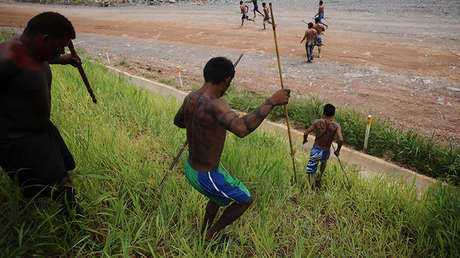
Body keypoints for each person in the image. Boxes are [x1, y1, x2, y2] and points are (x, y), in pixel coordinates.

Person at [174, 57, 290, 244]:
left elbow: (178, 122)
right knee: (245, 199)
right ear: (227, 80)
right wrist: (272, 101)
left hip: (191, 166)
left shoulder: (191, 98)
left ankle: (205, 230)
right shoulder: (217, 105)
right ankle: (211, 235)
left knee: (218, 197)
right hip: (205, 175)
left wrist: (198, 125)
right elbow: (242, 129)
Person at [0, 12, 80, 210]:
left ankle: (36, 199)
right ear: (44, 39)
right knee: (59, 182)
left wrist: (63, 59)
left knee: (62, 166)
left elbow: (41, 60)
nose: (60, 50)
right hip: (19, 138)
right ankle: (74, 218)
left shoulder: (35, 51)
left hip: (42, 129)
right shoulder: (6, 58)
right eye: (58, 46)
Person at [303, 104, 344, 192]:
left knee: (312, 169)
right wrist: (337, 151)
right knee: (324, 162)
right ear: (334, 114)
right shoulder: (336, 126)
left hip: (317, 149)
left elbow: (306, 132)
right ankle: (319, 177)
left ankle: (313, 189)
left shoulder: (317, 122)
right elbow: (340, 139)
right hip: (326, 150)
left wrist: (305, 140)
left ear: (323, 113)